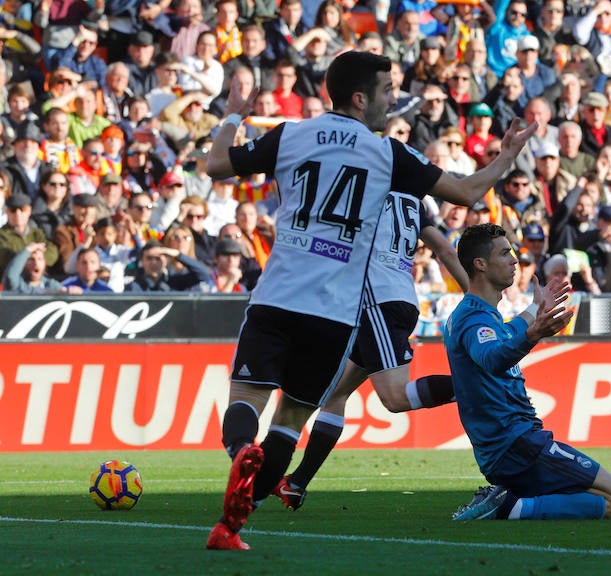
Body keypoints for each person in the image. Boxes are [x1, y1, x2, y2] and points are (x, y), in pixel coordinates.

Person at [203, 51, 537, 550]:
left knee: (246, 402)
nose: (392, 102)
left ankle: (238, 454)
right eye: (386, 92)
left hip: (276, 297)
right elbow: (467, 193)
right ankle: (232, 527)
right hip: (334, 314)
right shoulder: (388, 154)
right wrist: (507, 154)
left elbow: (216, 164)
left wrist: (234, 114)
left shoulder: (291, 134)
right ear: (360, 98)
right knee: (292, 420)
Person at [275, 198, 470, 509]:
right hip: (401, 300)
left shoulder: (363, 186)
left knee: (395, 399)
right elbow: (446, 251)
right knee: (335, 393)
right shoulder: (411, 200)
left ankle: (482, 386)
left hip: (374, 301)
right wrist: (474, 299)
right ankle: (297, 483)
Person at [444, 223, 611, 521]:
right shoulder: (473, 319)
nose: (514, 260)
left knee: (595, 498)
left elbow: (506, 334)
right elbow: (492, 358)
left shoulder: (478, 315)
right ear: (480, 264)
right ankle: (508, 506)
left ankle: (511, 502)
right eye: (504, 253)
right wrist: (532, 335)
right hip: (517, 446)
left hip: (510, 449)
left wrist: (535, 308)